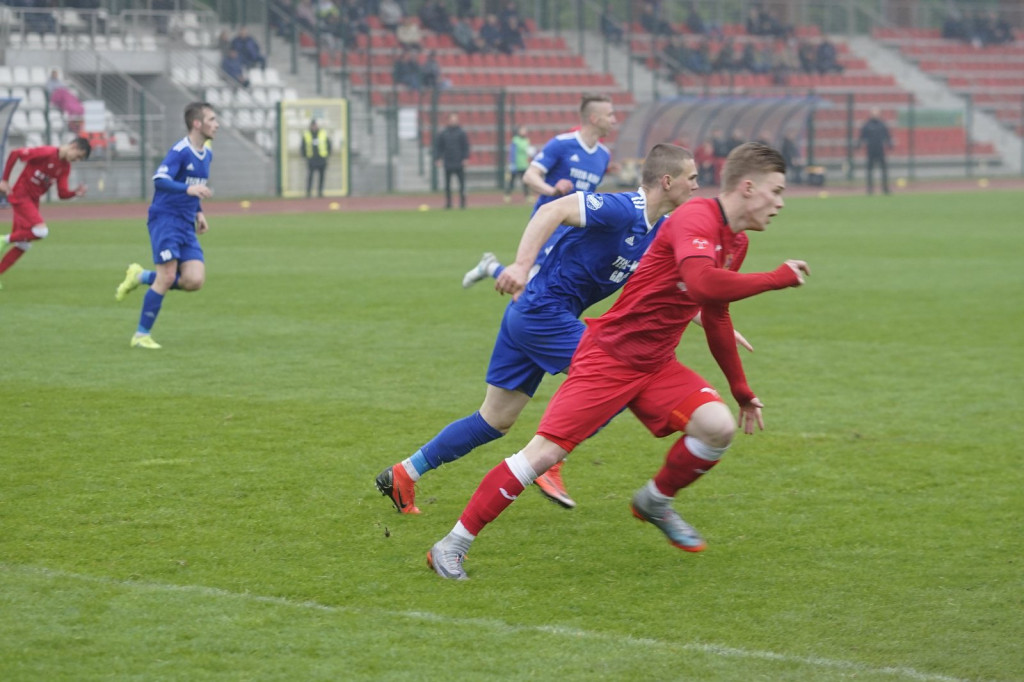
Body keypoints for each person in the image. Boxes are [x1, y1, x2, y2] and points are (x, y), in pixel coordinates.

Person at [425, 143, 810, 580]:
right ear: (748, 187)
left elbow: (716, 313)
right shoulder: (695, 218)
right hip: (610, 356)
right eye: (776, 191)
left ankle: (655, 501)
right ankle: (451, 545)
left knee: (717, 427)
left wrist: (741, 391)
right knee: (543, 455)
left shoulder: (735, 242)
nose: (780, 203)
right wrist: (776, 278)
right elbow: (703, 283)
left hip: (656, 364)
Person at [376, 144, 703, 515]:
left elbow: (663, 287)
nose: (696, 185)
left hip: (532, 315)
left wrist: (707, 320)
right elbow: (552, 209)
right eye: (691, 178)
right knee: (616, 379)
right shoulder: (622, 208)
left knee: (494, 421)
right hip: (542, 311)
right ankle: (550, 461)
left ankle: (404, 473)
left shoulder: (658, 231)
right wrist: (519, 266)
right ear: (667, 181)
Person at [459, 94, 616, 503]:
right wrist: (552, 188)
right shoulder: (563, 144)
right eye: (610, 113)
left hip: (572, 240)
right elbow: (530, 176)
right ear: (593, 117)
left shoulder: (603, 156)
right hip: (546, 233)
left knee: (528, 298)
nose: (614, 118)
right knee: (528, 298)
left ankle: (491, 267)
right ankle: (548, 453)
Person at [114, 102, 218, 349]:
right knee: (168, 276)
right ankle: (141, 335)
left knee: (194, 280)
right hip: (166, 219)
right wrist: (188, 189)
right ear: (197, 123)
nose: (217, 125)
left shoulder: (207, 154)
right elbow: (160, 179)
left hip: (186, 222)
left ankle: (140, 276)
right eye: (212, 119)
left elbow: (195, 186)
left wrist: (199, 212)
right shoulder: (180, 151)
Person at [0, 138, 91, 288]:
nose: (76, 160)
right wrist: (4, 181)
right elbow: (15, 153)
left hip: (33, 202)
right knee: (41, 231)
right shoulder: (47, 152)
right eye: (78, 156)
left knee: (23, 245)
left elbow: (62, 193)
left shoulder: (65, 167)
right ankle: (4, 239)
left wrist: (75, 193)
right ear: (73, 146)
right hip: (21, 196)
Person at [433, 113, 470, 210]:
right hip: (448, 161)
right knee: (447, 185)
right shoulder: (443, 133)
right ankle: (448, 203)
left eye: (455, 119)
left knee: (462, 184)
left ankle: (462, 203)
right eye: (452, 119)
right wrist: (438, 158)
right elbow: (439, 147)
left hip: (459, 161)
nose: (453, 121)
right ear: (448, 121)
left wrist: (465, 158)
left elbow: (465, 146)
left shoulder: (461, 133)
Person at [858, 108, 892, 195]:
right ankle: (870, 189)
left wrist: (889, 144)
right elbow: (862, 136)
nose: (875, 115)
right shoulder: (867, 125)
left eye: (877, 113)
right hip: (871, 150)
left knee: (884, 170)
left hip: (880, 150)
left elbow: (887, 135)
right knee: (869, 170)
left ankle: (885, 188)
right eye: (874, 113)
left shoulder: (882, 124)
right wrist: (858, 145)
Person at [301, 118, 331, 198]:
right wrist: (305, 156)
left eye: (315, 125)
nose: (314, 127)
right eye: (313, 125)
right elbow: (303, 146)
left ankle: (320, 192)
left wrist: (327, 155)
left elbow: (328, 144)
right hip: (311, 159)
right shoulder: (307, 134)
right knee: (310, 176)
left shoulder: (323, 133)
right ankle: (308, 192)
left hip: (321, 159)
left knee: (322, 176)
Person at [504, 126, 531, 202]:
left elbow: (527, 152)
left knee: (525, 182)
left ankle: (527, 196)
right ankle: (507, 195)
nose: (524, 131)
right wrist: (512, 163)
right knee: (511, 181)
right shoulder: (515, 140)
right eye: (523, 130)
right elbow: (512, 152)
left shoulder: (527, 140)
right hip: (516, 164)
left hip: (524, 164)